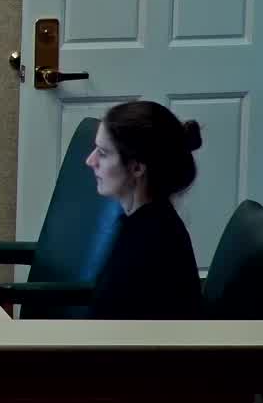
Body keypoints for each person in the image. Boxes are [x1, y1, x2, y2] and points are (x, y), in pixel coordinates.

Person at [87, 101, 205, 320]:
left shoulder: (152, 243)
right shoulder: (147, 222)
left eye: (103, 153)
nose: (90, 161)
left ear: (137, 167)